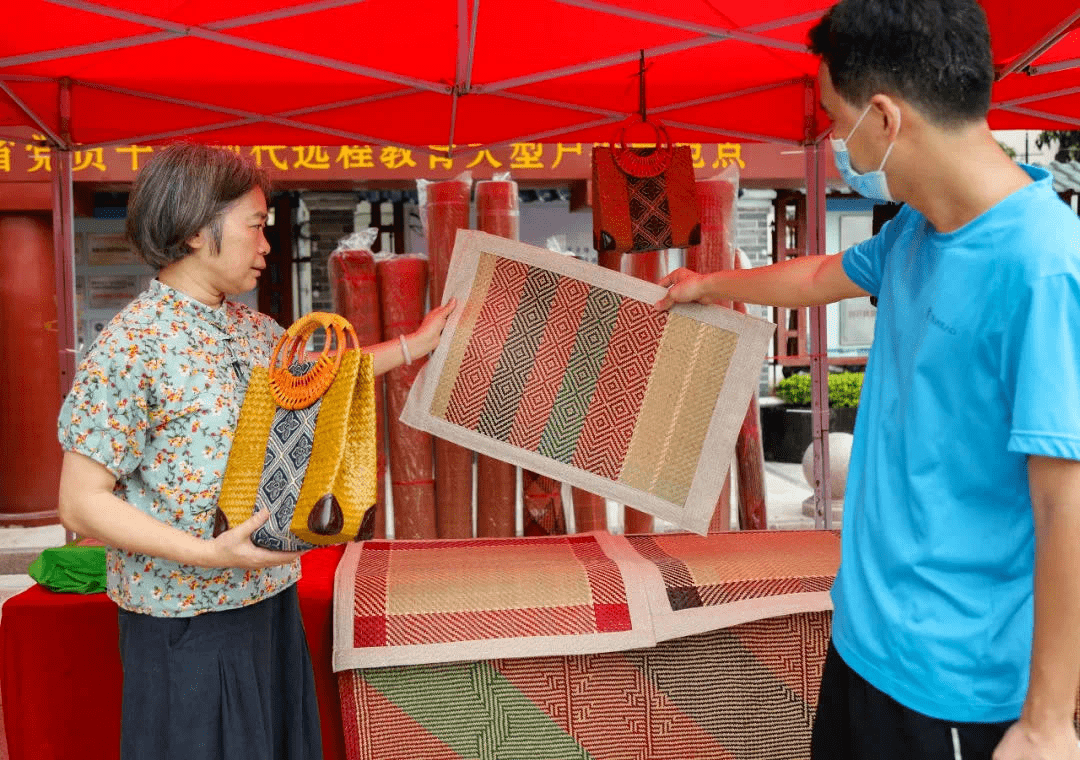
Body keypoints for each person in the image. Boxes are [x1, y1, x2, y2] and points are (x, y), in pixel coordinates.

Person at [656, 1, 1080, 758]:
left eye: (833, 118)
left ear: (883, 119)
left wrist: (1048, 722)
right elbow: (822, 273)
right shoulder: (917, 228)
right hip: (863, 643)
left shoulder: (1044, 267)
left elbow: (1065, 504)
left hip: (955, 685)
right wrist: (710, 284)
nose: (830, 139)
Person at [56, 142, 455, 760]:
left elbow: (331, 376)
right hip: (183, 621)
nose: (266, 244)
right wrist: (206, 554)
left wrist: (415, 343)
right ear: (193, 230)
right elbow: (80, 504)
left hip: (267, 599)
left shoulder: (254, 327)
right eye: (255, 226)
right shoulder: (133, 344)